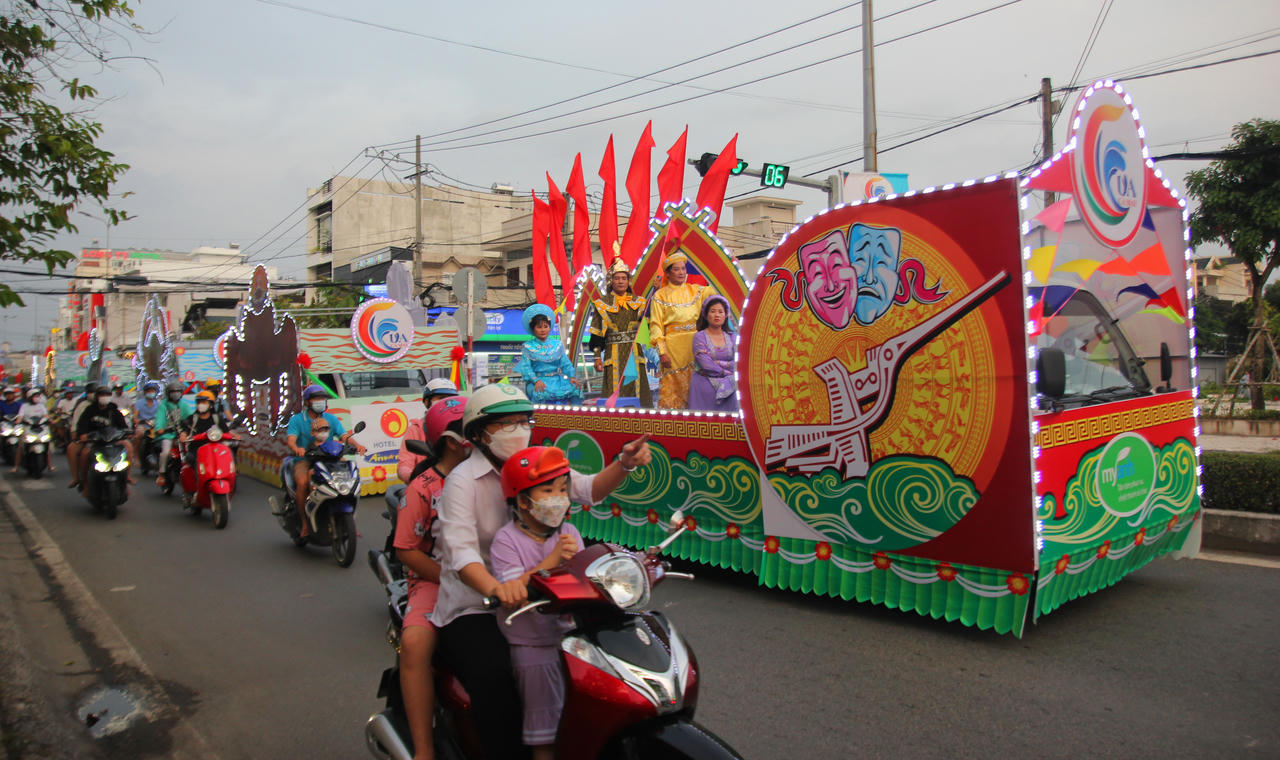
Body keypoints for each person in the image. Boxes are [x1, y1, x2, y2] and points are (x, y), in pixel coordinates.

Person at [430, 384, 651, 760]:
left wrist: (624, 463)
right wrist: (498, 589)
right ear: (480, 433)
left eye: (523, 421)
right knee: (495, 675)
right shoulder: (462, 481)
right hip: (480, 603)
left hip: (549, 597)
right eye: (506, 424)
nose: (518, 430)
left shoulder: (541, 461)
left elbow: (588, 488)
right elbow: (461, 552)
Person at [490, 446, 583, 759]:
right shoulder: (506, 540)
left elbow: (584, 579)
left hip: (571, 640)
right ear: (523, 501)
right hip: (533, 646)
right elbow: (513, 588)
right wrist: (553, 561)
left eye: (562, 489)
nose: (559, 497)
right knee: (545, 734)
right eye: (548, 491)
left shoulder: (568, 532)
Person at [394, 395, 469, 760]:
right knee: (416, 645)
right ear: (449, 440)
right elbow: (407, 550)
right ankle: (424, 749)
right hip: (435, 581)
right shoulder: (422, 486)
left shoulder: (492, 475)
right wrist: (453, 578)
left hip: (491, 578)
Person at [284, 385, 365, 538]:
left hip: (330, 458)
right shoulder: (297, 420)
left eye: (322, 399)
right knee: (302, 482)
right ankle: (304, 523)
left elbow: (344, 436)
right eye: (316, 399)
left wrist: (357, 445)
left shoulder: (331, 419)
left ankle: (351, 523)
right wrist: (297, 448)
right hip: (305, 460)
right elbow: (291, 439)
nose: (320, 402)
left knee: (351, 476)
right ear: (308, 402)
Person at [649, 251, 715, 409]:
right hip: (673, 350)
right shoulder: (660, 296)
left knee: (699, 387)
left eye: (683, 269)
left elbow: (718, 289)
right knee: (674, 390)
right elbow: (656, 326)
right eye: (677, 269)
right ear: (668, 273)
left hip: (696, 346)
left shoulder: (697, 291)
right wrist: (662, 352)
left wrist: (728, 265)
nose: (681, 273)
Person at [589, 258, 652, 406]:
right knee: (614, 388)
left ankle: (641, 423)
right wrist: (597, 357)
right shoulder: (602, 304)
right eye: (617, 278)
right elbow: (597, 334)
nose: (620, 281)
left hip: (634, 352)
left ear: (629, 281)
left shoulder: (640, 302)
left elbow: (648, 327)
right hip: (614, 352)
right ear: (611, 280)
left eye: (624, 278)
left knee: (636, 387)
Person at [397, 378, 459, 484]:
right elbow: (405, 463)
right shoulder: (416, 429)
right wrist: (412, 476)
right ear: (427, 401)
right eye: (441, 398)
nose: (445, 403)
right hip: (425, 484)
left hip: (456, 482)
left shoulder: (459, 426)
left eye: (450, 399)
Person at [73, 386, 134, 493]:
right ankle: (85, 483)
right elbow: (82, 426)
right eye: (102, 395)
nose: (104, 397)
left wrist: (127, 433)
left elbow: (123, 426)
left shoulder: (114, 410)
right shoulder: (90, 410)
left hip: (113, 441)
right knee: (85, 453)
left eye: (107, 395)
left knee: (128, 447)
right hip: (95, 441)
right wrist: (83, 435)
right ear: (97, 397)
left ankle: (126, 477)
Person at [516, 304, 581, 405]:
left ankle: (577, 418)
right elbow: (526, 368)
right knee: (539, 393)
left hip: (557, 380)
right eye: (539, 327)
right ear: (533, 329)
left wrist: (571, 377)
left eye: (545, 326)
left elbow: (565, 363)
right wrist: (536, 381)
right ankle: (539, 419)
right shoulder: (527, 347)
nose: (543, 330)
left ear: (549, 328)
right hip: (537, 381)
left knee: (575, 389)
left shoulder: (557, 345)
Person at [688, 295, 739, 413]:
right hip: (704, 384)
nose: (717, 315)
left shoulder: (732, 337)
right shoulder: (699, 336)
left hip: (730, 384)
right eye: (713, 311)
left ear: (725, 315)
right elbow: (706, 364)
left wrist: (719, 364)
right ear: (706, 315)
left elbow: (738, 362)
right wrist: (727, 372)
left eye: (720, 312)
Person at [177, 390, 231, 472]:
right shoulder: (192, 418)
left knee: (229, 456)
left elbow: (226, 431)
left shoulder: (217, 418)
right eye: (199, 402)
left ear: (211, 405)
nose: (201, 405)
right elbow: (184, 430)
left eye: (204, 402)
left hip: (215, 449)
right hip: (196, 449)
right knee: (191, 458)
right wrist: (183, 435)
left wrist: (234, 436)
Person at [13, 389, 54, 474]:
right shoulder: (24, 406)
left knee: (47, 445)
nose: (38, 398)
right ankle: (16, 466)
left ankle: (50, 465)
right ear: (30, 397)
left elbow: (45, 415)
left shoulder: (41, 406)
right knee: (21, 446)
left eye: (38, 396)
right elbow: (20, 416)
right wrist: (18, 421)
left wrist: (50, 420)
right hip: (28, 427)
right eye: (36, 396)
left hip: (41, 428)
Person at [131, 382, 161, 450]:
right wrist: (140, 421)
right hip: (143, 425)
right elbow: (135, 417)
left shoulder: (158, 404)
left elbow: (161, 417)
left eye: (152, 391)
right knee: (139, 434)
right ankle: (135, 454)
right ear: (145, 392)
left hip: (155, 426)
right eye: (149, 391)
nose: (150, 392)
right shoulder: (139, 403)